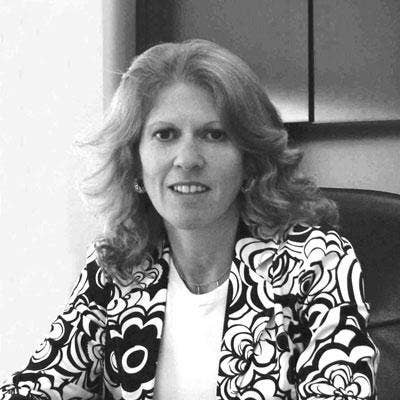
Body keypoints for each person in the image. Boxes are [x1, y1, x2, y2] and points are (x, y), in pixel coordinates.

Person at [0, 39, 378, 400]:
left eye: (214, 135)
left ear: (250, 159)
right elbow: (41, 384)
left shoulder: (315, 261)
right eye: (165, 134)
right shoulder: (115, 267)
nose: (187, 159)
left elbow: (340, 389)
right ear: (134, 160)